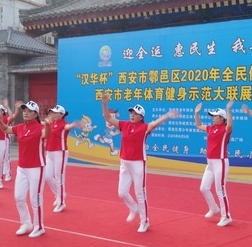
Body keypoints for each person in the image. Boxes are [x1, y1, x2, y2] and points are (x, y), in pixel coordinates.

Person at [102, 94, 179, 233]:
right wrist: (105, 104)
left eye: (135, 113)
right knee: (122, 193)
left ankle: (144, 221)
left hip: (138, 163)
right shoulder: (124, 125)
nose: (132, 115)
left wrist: (168, 115)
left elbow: (155, 123)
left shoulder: (144, 128)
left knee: (140, 193)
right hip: (124, 162)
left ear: (141, 117)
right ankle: (133, 207)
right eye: (131, 112)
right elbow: (108, 118)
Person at [0, 100, 50, 237]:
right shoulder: (20, 127)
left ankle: (39, 226)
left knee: (35, 198)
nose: (25, 113)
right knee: (18, 197)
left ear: (36, 114)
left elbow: (46, 134)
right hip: (22, 168)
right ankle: (26, 223)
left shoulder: (39, 128)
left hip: (37, 167)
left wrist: (48, 124)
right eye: (24, 110)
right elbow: (5, 129)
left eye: (29, 111)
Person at [194, 100, 234, 227]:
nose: (212, 118)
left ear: (222, 118)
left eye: (215, 116)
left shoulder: (225, 129)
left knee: (220, 190)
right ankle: (214, 208)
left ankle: (226, 216)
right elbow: (199, 126)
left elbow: (230, 126)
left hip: (220, 162)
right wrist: (196, 114)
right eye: (212, 116)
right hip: (210, 163)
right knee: (203, 188)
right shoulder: (211, 128)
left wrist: (228, 110)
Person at [44, 104, 83, 213]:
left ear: (62, 114)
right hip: (49, 152)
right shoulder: (52, 123)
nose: (54, 114)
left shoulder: (63, 124)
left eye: (56, 113)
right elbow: (44, 125)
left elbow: (68, 127)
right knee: (47, 176)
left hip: (60, 153)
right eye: (52, 112)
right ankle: (59, 194)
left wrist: (75, 124)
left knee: (59, 177)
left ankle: (61, 202)